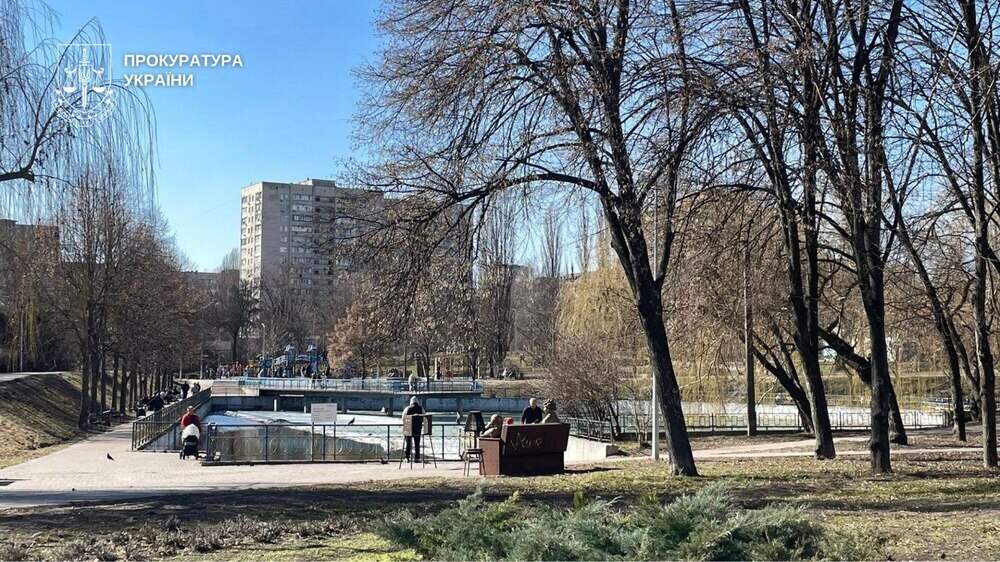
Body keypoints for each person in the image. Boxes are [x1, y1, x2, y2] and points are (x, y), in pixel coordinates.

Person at [401, 396, 424, 462]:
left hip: (408, 428)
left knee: (408, 443)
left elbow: (403, 418)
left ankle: (407, 457)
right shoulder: (421, 408)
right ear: (417, 402)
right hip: (417, 429)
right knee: (417, 443)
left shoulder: (407, 408)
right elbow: (424, 417)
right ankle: (417, 458)